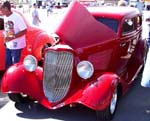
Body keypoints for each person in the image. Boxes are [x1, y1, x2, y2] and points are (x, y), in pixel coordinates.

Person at [1, 1, 27, 69]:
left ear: (6, 8)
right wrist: (5, 40)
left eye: (1, 9)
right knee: (8, 64)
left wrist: (13, 37)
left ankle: (16, 79)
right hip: (8, 45)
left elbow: (24, 30)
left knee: (15, 65)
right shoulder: (5, 17)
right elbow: (8, 30)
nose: (0, 11)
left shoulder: (17, 17)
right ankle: (8, 78)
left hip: (16, 46)